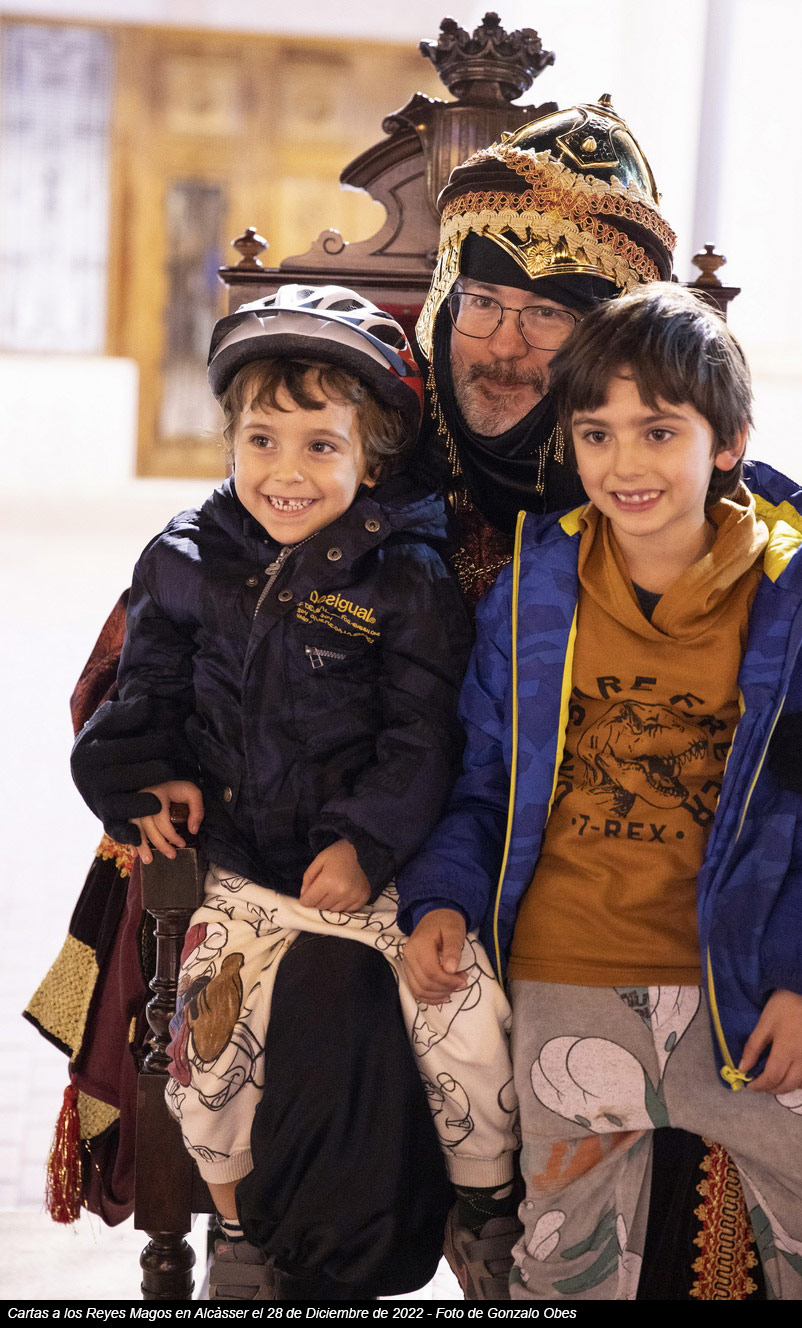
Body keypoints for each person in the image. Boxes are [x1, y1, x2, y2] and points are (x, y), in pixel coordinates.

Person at [42, 97, 802, 1302]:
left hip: (610, 892)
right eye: (487, 303)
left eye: (550, 316)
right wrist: (142, 757)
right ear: (446, 301)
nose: (506, 344)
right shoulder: (342, 459)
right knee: (328, 982)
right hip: (358, 864)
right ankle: (297, 1244)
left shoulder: (705, 503)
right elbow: (164, 644)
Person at [396, 282, 802, 1300]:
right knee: (566, 1265)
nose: (624, 464)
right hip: (567, 980)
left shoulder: (791, 600)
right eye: (597, 433)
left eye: (658, 431)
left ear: (729, 442)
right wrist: (442, 898)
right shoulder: (531, 592)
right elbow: (484, 785)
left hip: (746, 987)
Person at [70, 284, 520, 1299]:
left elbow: (424, 735)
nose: (286, 471)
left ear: (373, 458)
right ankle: (239, 1233)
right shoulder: (185, 558)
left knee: (466, 1020)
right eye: (262, 440)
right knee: (206, 1054)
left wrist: (366, 841)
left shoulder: (406, 575)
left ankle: (487, 1209)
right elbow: (141, 695)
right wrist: (137, 775)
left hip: (375, 878)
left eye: (321, 446)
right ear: (229, 440)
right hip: (241, 872)